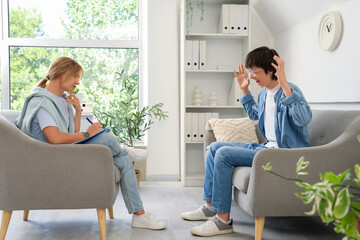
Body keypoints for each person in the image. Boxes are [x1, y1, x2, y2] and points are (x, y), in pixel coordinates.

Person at [16, 56, 166, 230]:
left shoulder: (60, 100)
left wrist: (78, 111)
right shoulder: (42, 102)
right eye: (75, 76)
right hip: (53, 158)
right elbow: (55, 139)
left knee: (123, 161)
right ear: (63, 73)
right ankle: (122, 148)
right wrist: (88, 133)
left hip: (64, 152)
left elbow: (70, 134)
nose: (78, 82)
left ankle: (139, 215)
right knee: (109, 139)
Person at [181, 46, 312, 237]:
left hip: (284, 154)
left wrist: (284, 82)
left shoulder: (289, 90)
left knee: (224, 155)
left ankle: (223, 220)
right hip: (266, 148)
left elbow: (304, 119)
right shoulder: (265, 94)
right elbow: (255, 115)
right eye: (250, 72)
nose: (251, 76)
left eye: (255, 72)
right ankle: (210, 206)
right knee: (215, 147)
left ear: (272, 69)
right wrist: (244, 89)